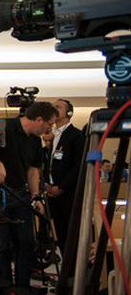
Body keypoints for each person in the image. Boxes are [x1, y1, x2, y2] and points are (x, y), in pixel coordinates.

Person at [0, 101, 58, 289]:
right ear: (39, 120)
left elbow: (33, 169)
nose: (49, 129)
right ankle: (4, 287)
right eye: (49, 124)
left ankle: (22, 287)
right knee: (2, 244)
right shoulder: (4, 127)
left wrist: (35, 196)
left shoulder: (34, 140)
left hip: (21, 194)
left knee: (26, 243)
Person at [46, 99, 84, 249]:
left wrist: (61, 187)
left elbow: (78, 165)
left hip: (68, 194)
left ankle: (75, 269)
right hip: (53, 194)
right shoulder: (54, 135)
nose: (54, 109)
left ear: (69, 113)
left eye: (58, 107)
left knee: (72, 234)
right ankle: (66, 269)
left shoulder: (76, 135)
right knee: (60, 234)